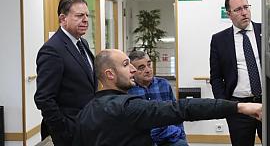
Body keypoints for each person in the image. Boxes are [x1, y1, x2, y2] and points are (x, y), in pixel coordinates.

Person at [73, 49, 262, 146]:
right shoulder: (129, 108)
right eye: (125, 65)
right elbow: (183, 108)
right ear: (110, 74)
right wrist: (239, 107)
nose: (133, 70)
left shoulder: (85, 113)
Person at [34, 0, 97, 146]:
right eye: (79, 16)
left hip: (87, 126)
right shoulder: (52, 49)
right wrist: (63, 129)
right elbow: (44, 98)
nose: (86, 20)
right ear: (63, 19)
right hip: (67, 131)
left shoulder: (83, 43)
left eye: (87, 15)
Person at [210, 0, 262, 146]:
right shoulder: (219, 40)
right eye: (238, 9)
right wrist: (223, 105)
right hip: (238, 108)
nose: (244, 12)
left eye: (246, 7)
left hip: (266, 102)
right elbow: (216, 77)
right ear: (229, 14)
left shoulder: (265, 31)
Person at [128, 50, 188, 146]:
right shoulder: (128, 90)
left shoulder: (163, 84)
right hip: (141, 138)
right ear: (132, 71)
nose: (148, 70)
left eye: (149, 64)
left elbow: (176, 114)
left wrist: (180, 135)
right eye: (141, 68)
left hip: (167, 136)